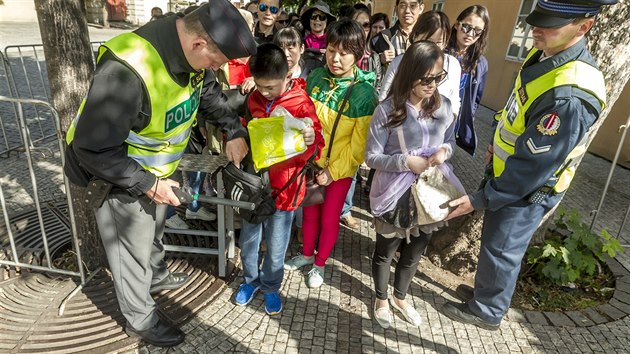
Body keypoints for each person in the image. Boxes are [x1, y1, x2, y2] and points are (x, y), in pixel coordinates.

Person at [64, 1, 256, 347]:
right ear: (200, 44)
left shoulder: (190, 49)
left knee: (154, 228)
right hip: (115, 175)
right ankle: (141, 320)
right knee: (132, 250)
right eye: (217, 61)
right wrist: (148, 184)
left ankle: (157, 275)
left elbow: (207, 94)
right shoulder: (127, 68)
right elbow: (92, 148)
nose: (217, 69)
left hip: (157, 173)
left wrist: (234, 129)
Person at [442, 0, 614, 331]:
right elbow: (520, 107)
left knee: (503, 248)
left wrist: (479, 199)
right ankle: (487, 294)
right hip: (509, 172)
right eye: (537, 21)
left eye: (549, 24)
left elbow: (535, 165)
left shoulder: (571, 93)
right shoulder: (547, 53)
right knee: (495, 242)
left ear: (584, 27)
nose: (535, 29)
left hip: (527, 187)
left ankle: (488, 310)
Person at [366, 40, 456, 329]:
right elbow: (371, 157)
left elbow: (449, 141)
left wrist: (445, 152)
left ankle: (400, 297)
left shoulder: (444, 106)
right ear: (409, 73)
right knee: (386, 250)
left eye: (438, 77)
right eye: (426, 78)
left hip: (430, 191)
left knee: (416, 251)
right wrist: (405, 162)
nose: (432, 85)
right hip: (394, 192)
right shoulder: (387, 109)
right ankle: (381, 299)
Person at [284, 19, 378, 288]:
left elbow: (358, 147)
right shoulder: (315, 79)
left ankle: (320, 263)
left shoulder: (365, 95)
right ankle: (305, 255)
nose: (335, 59)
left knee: (329, 218)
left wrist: (333, 171)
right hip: (310, 164)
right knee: (310, 213)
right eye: (331, 50)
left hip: (339, 170)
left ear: (358, 55)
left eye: (344, 53)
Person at [235, 43, 324, 315]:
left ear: (287, 76)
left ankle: (271, 286)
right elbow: (243, 131)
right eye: (260, 86)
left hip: (285, 189)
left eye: (270, 87)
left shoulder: (301, 103)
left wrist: (310, 140)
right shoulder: (253, 100)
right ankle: (250, 280)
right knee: (249, 239)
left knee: (276, 246)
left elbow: (317, 143)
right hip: (254, 185)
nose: (264, 92)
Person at [378, 10, 461, 118]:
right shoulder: (399, 62)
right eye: (428, 41)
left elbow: (454, 102)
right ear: (416, 36)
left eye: (439, 43)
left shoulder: (452, 65)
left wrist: (447, 126)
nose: (433, 47)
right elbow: (384, 99)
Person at [444, 5, 490, 156]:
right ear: (457, 24)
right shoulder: (440, 52)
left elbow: (476, 99)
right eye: (467, 27)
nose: (470, 34)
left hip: (455, 126)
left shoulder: (481, 63)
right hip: (433, 119)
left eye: (477, 31)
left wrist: (466, 118)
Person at [371, 0, 424, 66]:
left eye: (412, 6)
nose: (407, 11)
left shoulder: (426, 37)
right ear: (396, 9)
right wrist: (379, 59)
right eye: (403, 6)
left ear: (421, 8)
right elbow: (368, 65)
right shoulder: (381, 38)